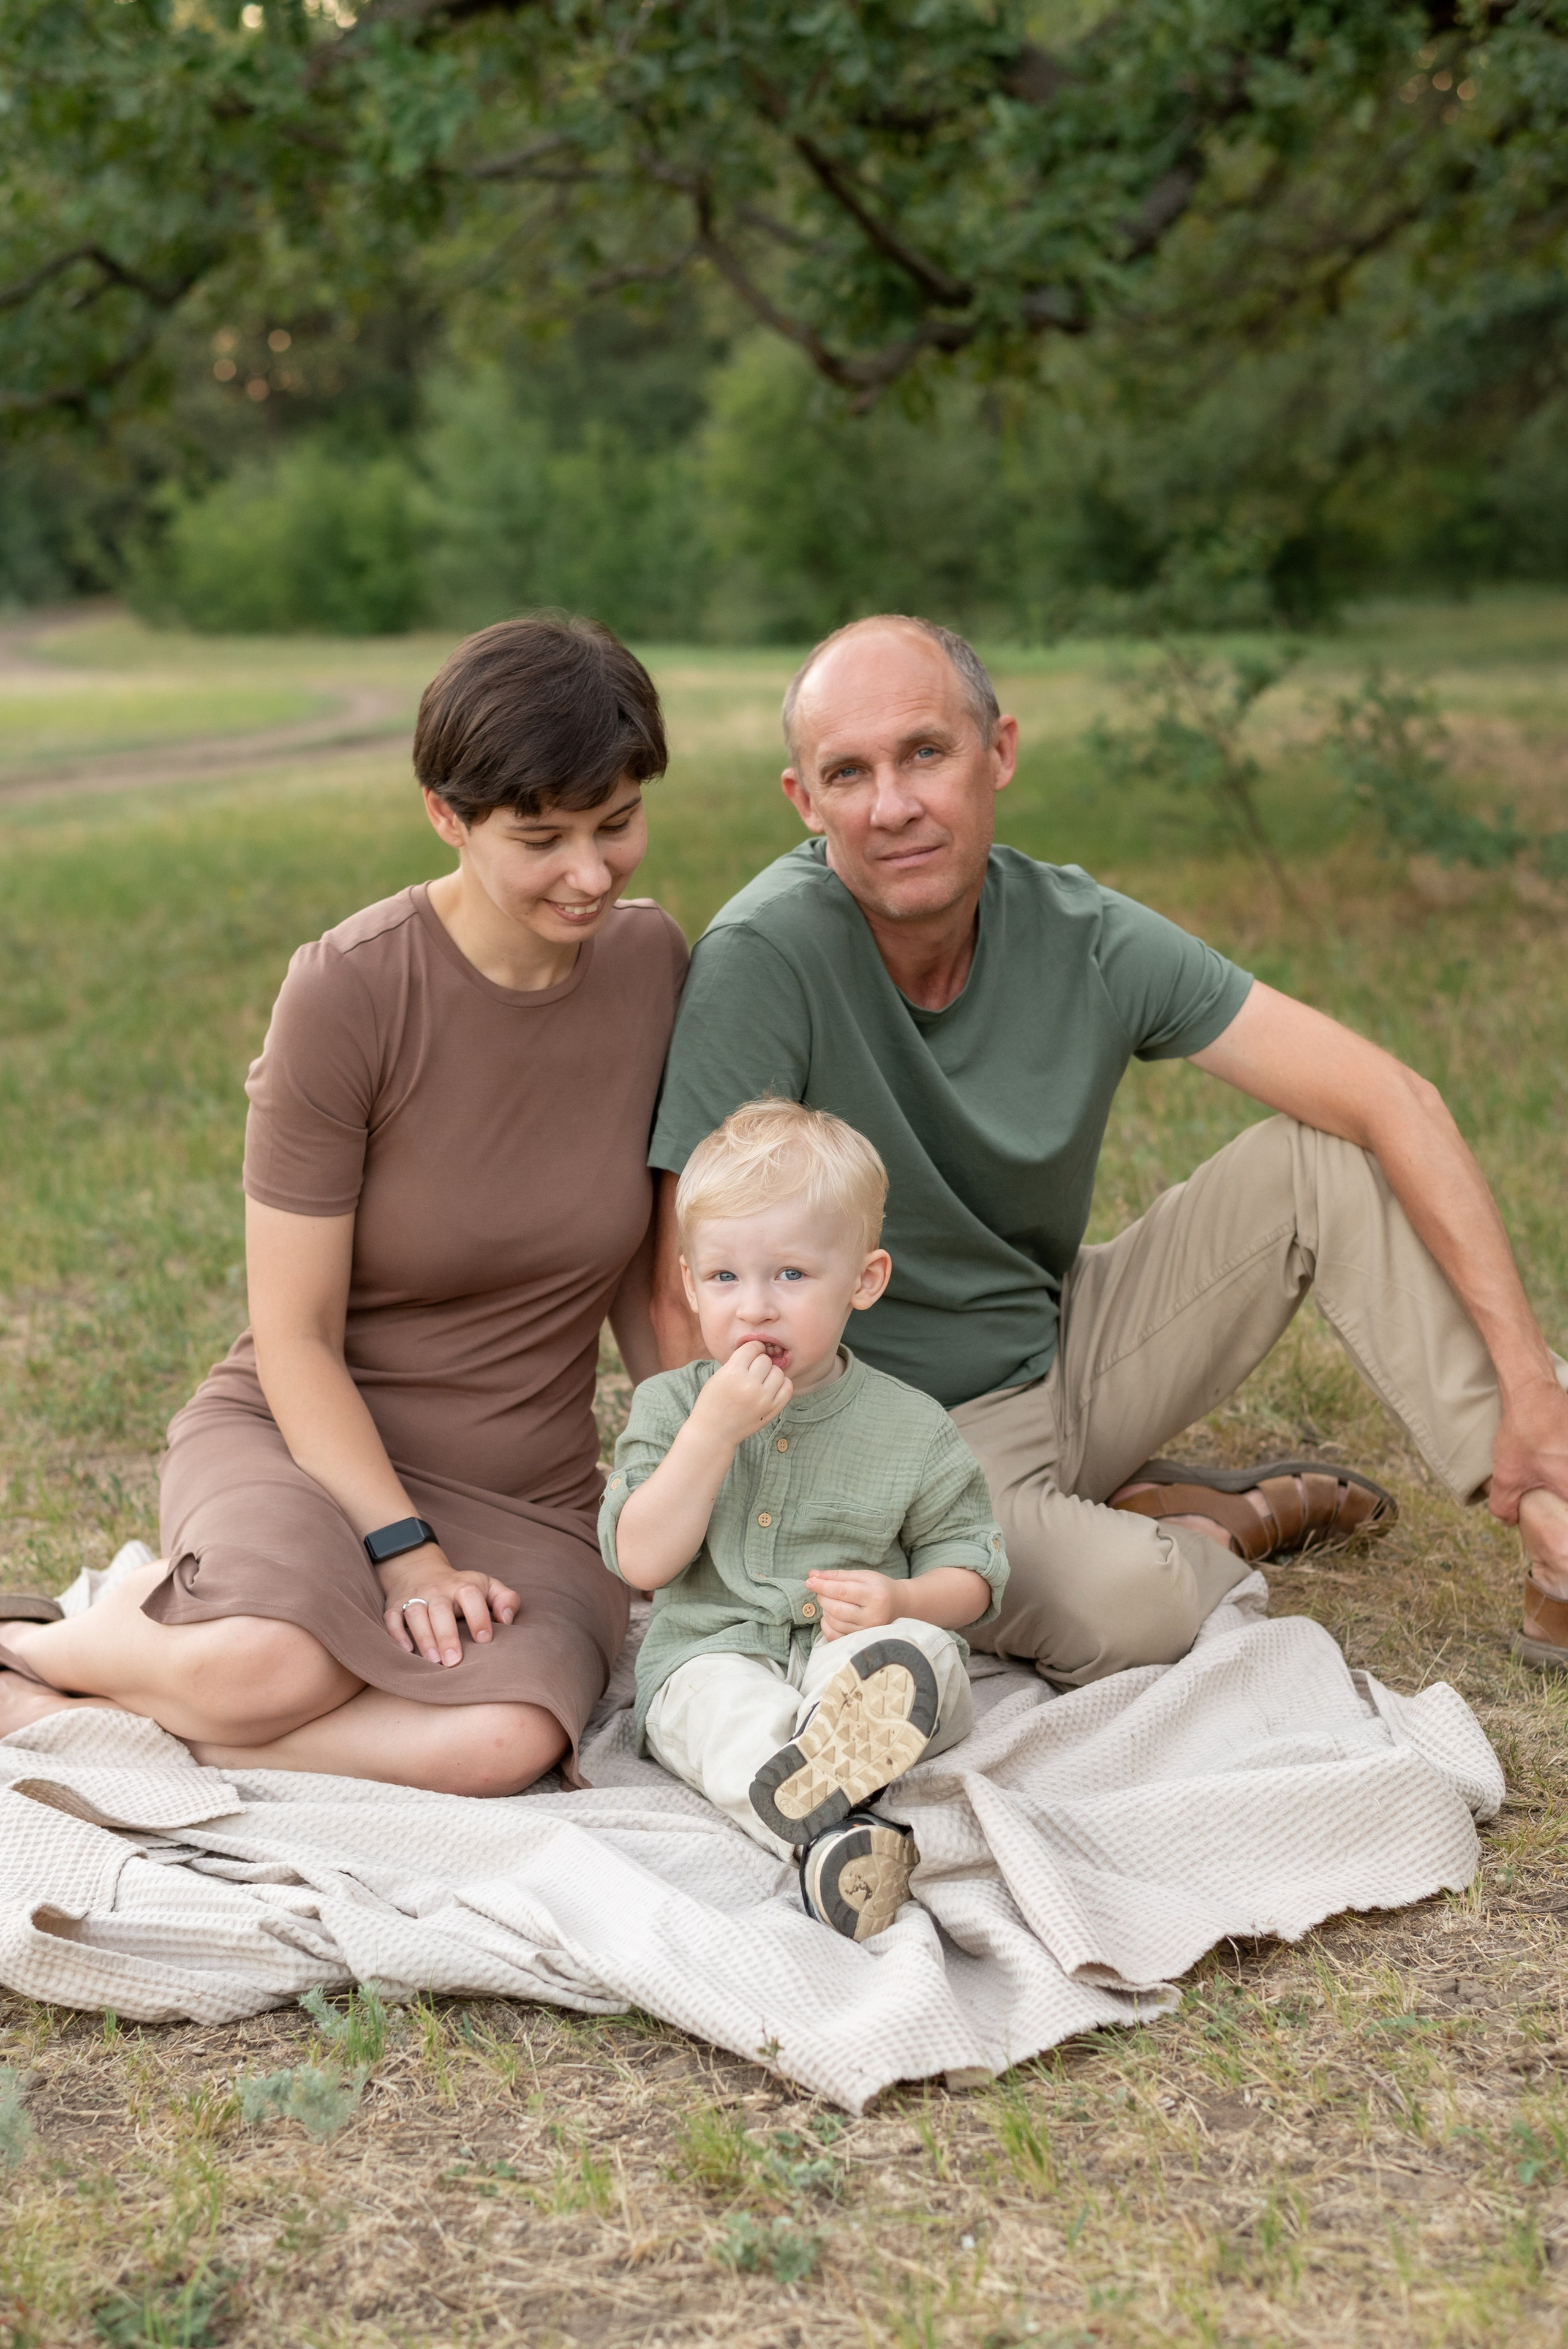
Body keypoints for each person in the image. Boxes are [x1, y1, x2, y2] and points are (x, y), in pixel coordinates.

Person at [644, 614, 1568, 1684]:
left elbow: (1394, 1101)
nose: (892, 805)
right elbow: (684, 1293)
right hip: (890, 1443)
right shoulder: (766, 958)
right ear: (805, 801)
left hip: (1064, 1354)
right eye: (848, 773)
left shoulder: (1080, 932)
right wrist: (772, 1543)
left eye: (927, 753)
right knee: (1132, 1605)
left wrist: (1533, 1397)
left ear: (1000, 752)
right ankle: (1203, 1529)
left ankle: (1554, 1509)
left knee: (1322, 1158)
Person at [0, 616, 688, 1792]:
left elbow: (648, 1288)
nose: (590, 874)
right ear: (446, 817)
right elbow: (297, 1335)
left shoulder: (654, 966)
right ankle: (40, 1646)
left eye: (616, 826)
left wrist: (697, 1472)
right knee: (271, 1669)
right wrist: (402, 1550)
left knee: (506, 1743)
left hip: (528, 1489)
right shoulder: (350, 990)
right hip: (307, 1442)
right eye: (542, 838)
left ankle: (113, 1714)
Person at [600, 1099, 1008, 1939]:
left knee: (921, 1659)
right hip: (718, 1652)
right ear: (688, 1282)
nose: (754, 1308)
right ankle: (835, 1835)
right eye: (724, 1279)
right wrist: (711, 1433)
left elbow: (974, 1571)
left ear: (864, 1280)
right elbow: (641, 1560)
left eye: (790, 1275)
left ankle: (826, 1798)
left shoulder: (912, 1426)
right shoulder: (672, 1406)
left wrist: (904, 1604)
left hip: (848, 1655)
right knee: (715, 1710)